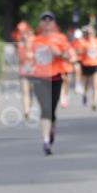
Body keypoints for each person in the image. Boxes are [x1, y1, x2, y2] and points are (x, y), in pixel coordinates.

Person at [29, 11, 71, 154]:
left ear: (54, 23)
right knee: (45, 110)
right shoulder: (34, 41)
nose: (47, 22)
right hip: (40, 79)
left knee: (51, 110)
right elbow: (28, 61)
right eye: (44, 20)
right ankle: (46, 141)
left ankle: (51, 129)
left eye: (50, 20)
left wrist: (58, 53)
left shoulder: (61, 38)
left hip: (55, 77)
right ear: (40, 23)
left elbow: (69, 56)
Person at [11, 20, 34, 119]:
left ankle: (29, 106)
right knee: (25, 92)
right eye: (22, 33)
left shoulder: (35, 43)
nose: (23, 35)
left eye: (25, 33)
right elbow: (18, 58)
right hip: (24, 71)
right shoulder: (19, 45)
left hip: (34, 72)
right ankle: (26, 111)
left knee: (31, 92)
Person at [78, 25, 97, 110]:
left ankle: (94, 103)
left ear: (94, 33)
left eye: (91, 33)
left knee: (96, 85)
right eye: (88, 33)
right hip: (85, 64)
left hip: (96, 64)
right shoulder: (83, 42)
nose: (90, 34)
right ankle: (85, 94)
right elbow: (78, 52)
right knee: (86, 85)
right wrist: (84, 50)